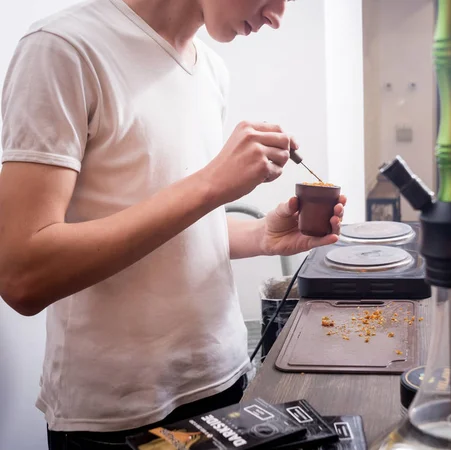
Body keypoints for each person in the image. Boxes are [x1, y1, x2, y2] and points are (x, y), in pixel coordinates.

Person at [0, 0, 346, 448]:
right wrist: (209, 185)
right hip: (118, 418)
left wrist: (261, 236)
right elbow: (22, 275)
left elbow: (176, 229)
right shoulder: (64, 49)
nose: (277, 17)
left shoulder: (211, 71)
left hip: (226, 385)